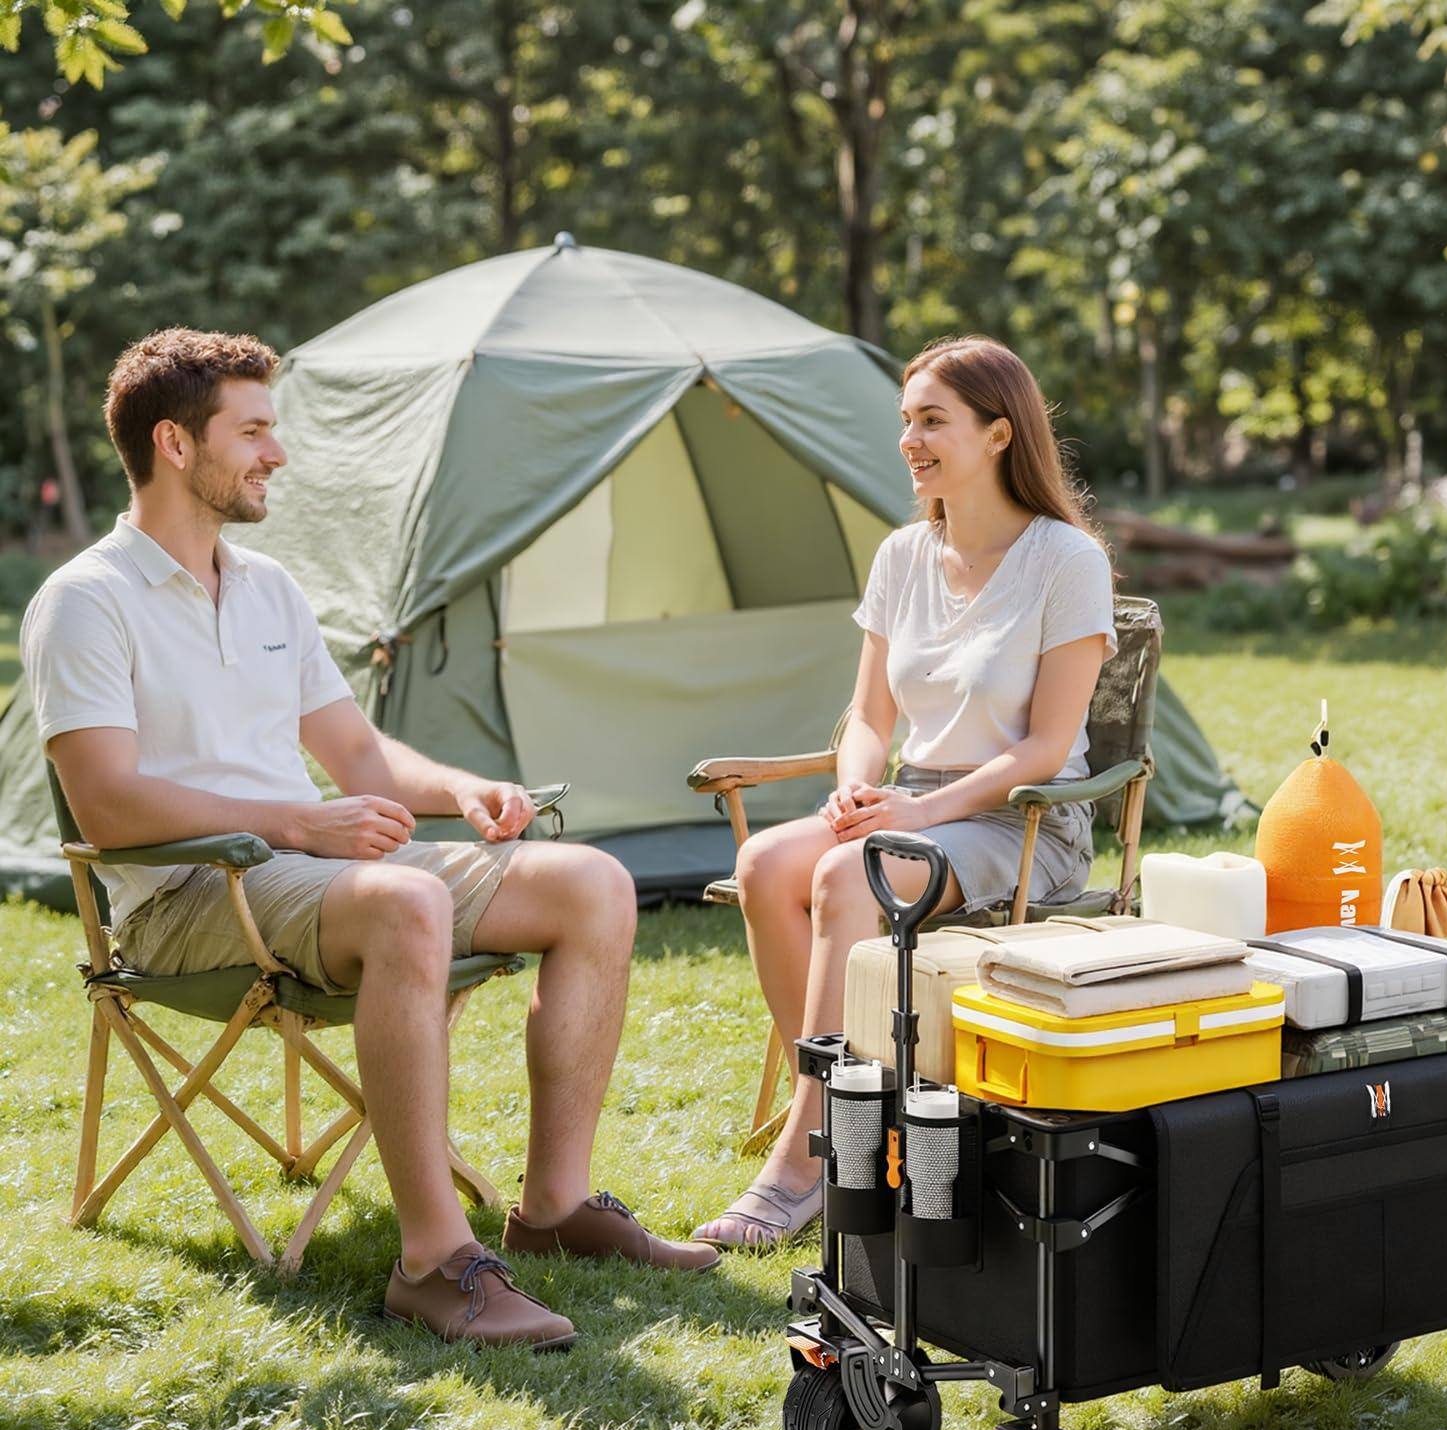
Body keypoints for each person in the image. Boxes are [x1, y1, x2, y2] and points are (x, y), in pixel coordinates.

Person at [21, 328, 717, 1346]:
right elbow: (107, 805)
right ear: (174, 443)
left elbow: (355, 751)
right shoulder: (85, 600)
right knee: (407, 898)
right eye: (252, 432)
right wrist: (293, 820)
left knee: (593, 885)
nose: (276, 453)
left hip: (305, 874)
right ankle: (433, 1260)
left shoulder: (266, 586)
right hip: (182, 898)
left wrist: (463, 787)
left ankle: (554, 1206)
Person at [693, 335, 1117, 1250]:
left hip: (1022, 821)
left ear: (999, 434)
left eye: (932, 421)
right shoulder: (901, 556)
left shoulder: (1066, 561)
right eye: (906, 421)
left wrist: (916, 813)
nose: (909, 441)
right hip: (909, 807)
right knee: (766, 862)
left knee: (848, 877)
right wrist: (857, 790)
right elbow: (868, 716)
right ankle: (847, 1106)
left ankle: (806, 1162)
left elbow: (1048, 747)